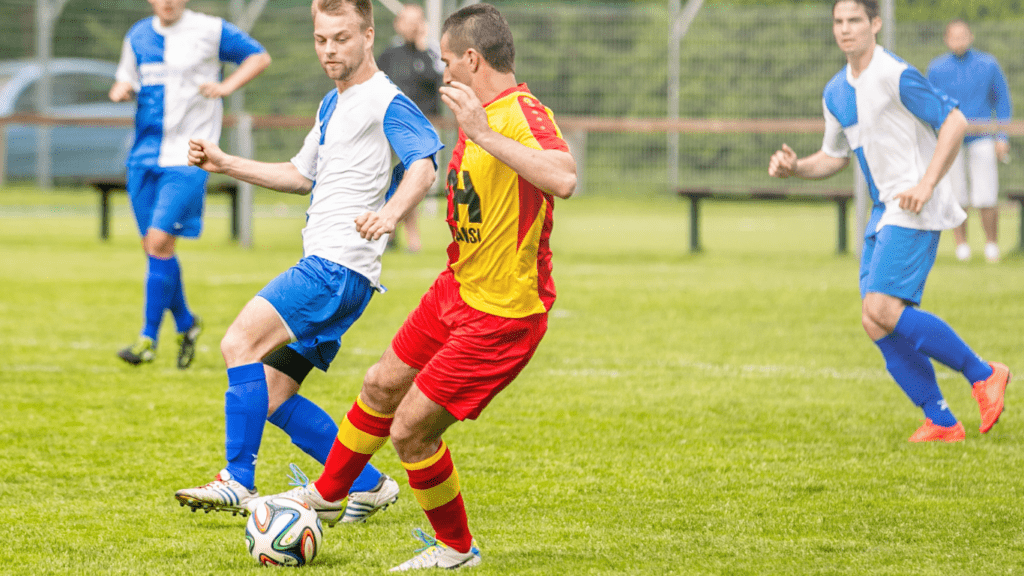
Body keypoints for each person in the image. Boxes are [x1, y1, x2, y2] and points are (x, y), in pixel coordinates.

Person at [257, 3, 577, 571]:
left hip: (503, 314)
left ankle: (456, 549)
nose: (442, 72)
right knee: (380, 384)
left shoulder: (520, 112)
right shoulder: (473, 107)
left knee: (410, 432)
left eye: (448, 61)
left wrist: (482, 132)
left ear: (473, 60)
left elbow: (564, 177)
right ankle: (329, 497)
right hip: (456, 287)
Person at [172, 0, 443, 524]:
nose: (329, 50)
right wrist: (226, 162)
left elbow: (424, 168)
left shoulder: (385, 99)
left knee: (238, 342)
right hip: (344, 275)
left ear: (368, 35)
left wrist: (390, 214)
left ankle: (237, 479)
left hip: (334, 267)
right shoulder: (332, 103)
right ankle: (367, 485)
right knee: (272, 395)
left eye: (341, 38)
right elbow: (301, 175)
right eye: (321, 39)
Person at [768, 0, 1010, 443]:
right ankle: (941, 420)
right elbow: (834, 156)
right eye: (838, 22)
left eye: (855, 20)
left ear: (874, 24)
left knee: (882, 307)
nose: (845, 29)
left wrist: (928, 183)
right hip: (885, 210)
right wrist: (796, 167)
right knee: (873, 319)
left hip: (915, 205)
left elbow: (955, 122)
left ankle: (984, 373)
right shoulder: (836, 92)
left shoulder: (893, 73)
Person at [110, 0, 271, 369]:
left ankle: (147, 340)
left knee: (159, 241)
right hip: (144, 157)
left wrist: (226, 86)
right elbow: (126, 78)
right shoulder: (137, 35)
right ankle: (186, 323)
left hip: (190, 156)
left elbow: (258, 57)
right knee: (155, 249)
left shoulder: (209, 29)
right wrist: (121, 89)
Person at [927, 20, 1013, 263]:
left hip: (983, 136)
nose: (959, 40)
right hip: (950, 140)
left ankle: (991, 245)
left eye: (963, 35)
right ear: (946, 39)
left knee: (986, 194)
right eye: (954, 36)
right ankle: (962, 247)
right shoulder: (937, 68)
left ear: (971, 36)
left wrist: (1002, 136)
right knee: (956, 195)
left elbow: (1003, 101)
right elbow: (930, 106)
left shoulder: (988, 64)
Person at [377, 3, 444, 253]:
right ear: (398, 24)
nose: (411, 25)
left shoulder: (430, 54)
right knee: (385, 178)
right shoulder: (388, 55)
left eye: (417, 20)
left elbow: (437, 82)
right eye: (407, 20)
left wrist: (423, 46)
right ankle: (389, 233)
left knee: (411, 179)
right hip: (388, 125)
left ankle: (411, 236)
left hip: (420, 128)